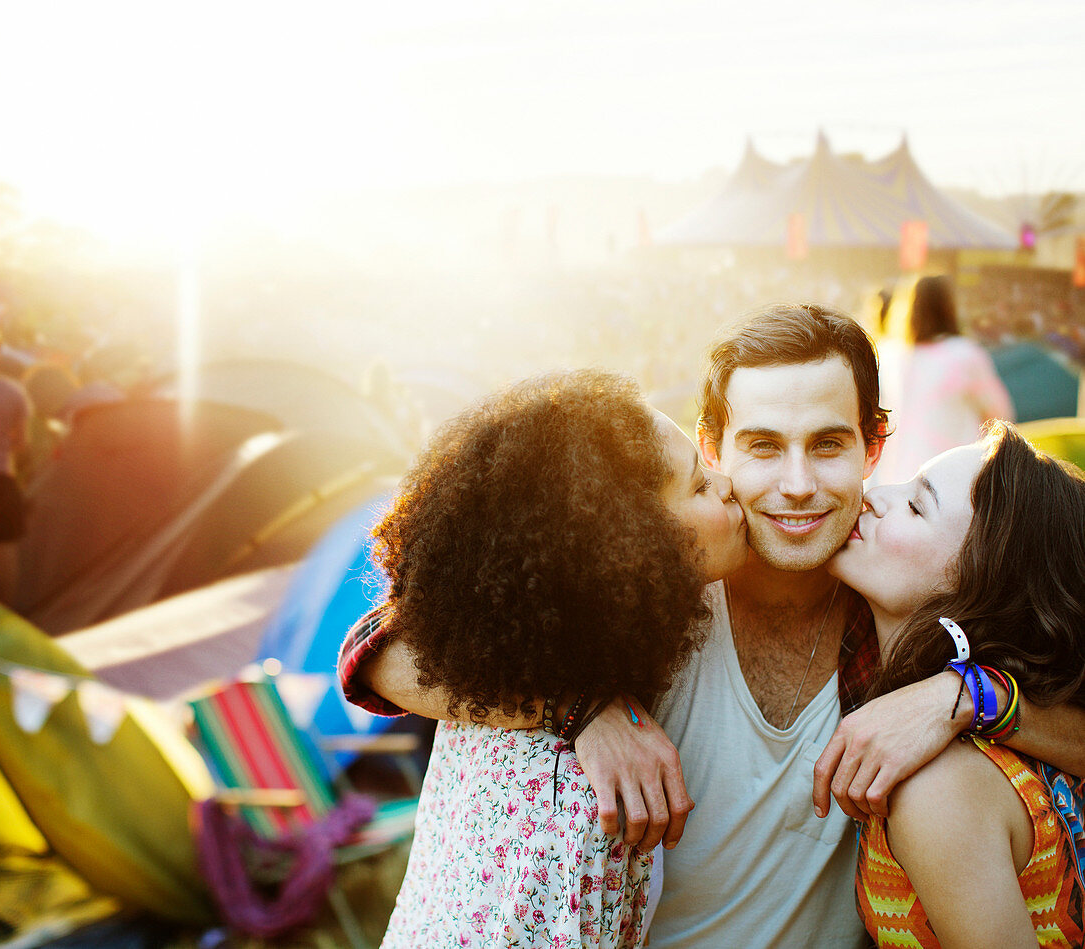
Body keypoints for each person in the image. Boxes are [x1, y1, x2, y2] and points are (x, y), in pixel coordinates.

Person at [343, 304, 1085, 948]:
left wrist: (958, 698)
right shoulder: (641, 607)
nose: (797, 484)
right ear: (713, 449)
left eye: (828, 444)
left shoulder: (906, 617)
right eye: (763, 445)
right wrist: (579, 710)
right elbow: (383, 649)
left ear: (873, 448)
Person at [354, 369, 747, 948]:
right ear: (633, 549)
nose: (727, 483)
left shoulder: (491, 667)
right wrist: (575, 711)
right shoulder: (589, 803)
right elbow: (368, 649)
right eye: (697, 486)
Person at [829, 421, 1085, 946]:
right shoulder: (1012, 733)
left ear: (980, 581)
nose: (874, 496)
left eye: (918, 506)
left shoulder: (939, 786)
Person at [874, 274, 1013, 485]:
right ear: (948, 307)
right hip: (951, 483)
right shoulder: (964, 354)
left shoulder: (888, 354)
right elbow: (1002, 417)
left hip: (894, 481)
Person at [0, 325, 31, 604]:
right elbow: (23, 443)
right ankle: (8, 615)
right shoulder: (13, 393)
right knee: (7, 552)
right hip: (1, 478)